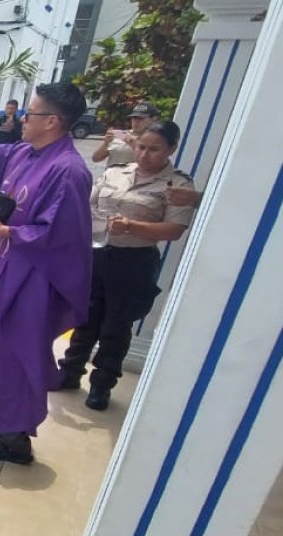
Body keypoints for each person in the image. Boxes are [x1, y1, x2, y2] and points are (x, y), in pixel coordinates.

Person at [0, 79, 93, 465]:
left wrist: (5, 230)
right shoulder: (24, 153)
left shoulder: (68, 170)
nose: (23, 118)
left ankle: (14, 439)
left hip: (31, 280)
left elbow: (62, 236)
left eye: (30, 112)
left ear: (52, 121)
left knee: (16, 353)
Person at [59, 121, 195, 411]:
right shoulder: (116, 172)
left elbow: (174, 230)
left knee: (116, 326)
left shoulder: (178, 185)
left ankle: (101, 385)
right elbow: (88, 206)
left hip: (134, 261)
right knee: (85, 318)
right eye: (141, 147)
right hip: (97, 255)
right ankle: (69, 371)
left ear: (171, 149)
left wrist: (132, 226)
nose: (144, 154)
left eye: (154, 149)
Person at [92, 101, 159, 167]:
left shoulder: (157, 140)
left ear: (153, 119)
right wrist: (105, 144)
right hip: (111, 173)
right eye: (134, 118)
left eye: (141, 118)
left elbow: (155, 165)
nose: (136, 121)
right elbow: (95, 159)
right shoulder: (120, 135)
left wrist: (135, 145)